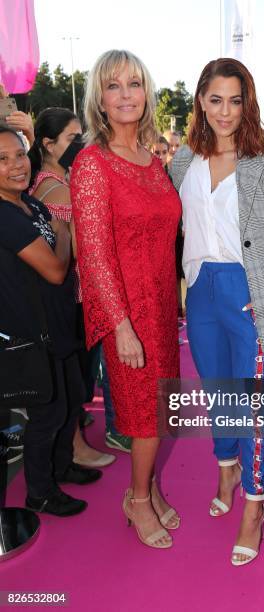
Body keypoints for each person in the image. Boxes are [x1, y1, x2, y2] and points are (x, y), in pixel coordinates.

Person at [171, 58, 264, 566]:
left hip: (247, 290)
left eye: (235, 100)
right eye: (215, 99)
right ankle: (225, 466)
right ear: (200, 101)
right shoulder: (183, 159)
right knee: (217, 391)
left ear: (247, 102)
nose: (225, 111)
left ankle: (255, 502)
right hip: (200, 289)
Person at [71, 49, 181, 549]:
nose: (124, 95)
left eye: (133, 83)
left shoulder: (152, 159)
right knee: (142, 414)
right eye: (112, 86)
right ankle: (136, 501)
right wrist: (120, 325)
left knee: (159, 409)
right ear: (99, 98)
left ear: (146, 92)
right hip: (127, 311)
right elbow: (92, 255)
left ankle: (149, 487)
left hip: (160, 303)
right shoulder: (92, 165)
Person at [0, 124, 102, 516]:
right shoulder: (6, 216)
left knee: (71, 401)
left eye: (19, 155)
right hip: (31, 336)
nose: (16, 165)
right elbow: (57, 269)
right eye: (3, 159)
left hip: (57, 328)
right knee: (47, 414)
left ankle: (61, 467)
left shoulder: (30, 204)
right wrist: (62, 234)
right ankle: (39, 492)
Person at [28, 107, 115, 469]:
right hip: (69, 295)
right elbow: (84, 246)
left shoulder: (63, 182)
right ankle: (73, 448)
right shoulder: (54, 189)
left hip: (76, 293)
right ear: (48, 145)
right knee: (74, 379)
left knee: (77, 378)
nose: (80, 144)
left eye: (82, 136)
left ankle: (73, 446)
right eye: (71, 138)